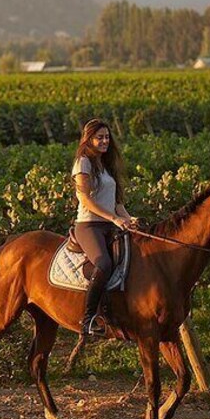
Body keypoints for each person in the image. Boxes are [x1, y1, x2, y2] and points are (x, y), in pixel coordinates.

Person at [71, 118, 136, 336]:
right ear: (88, 139)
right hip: (89, 225)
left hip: (110, 224)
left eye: (107, 137)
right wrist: (115, 219)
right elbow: (86, 200)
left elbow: (117, 203)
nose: (105, 141)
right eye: (100, 137)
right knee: (104, 264)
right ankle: (87, 318)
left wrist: (128, 218)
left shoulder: (107, 165)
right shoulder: (83, 162)